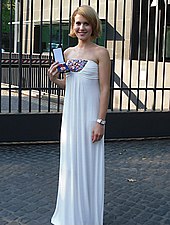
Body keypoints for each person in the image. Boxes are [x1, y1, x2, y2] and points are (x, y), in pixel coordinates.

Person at [48, 5, 111, 225]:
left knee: (88, 165)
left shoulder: (101, 53)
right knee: (70, 165)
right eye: (78, 23)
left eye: (86, 23)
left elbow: (104, 89)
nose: (81, 27)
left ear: (93, 26)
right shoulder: (67, 53)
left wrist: (100, 122)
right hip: (70, 119)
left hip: (90, 119)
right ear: (72, 26)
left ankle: (87, 217)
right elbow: (70, 84)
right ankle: (69, 215)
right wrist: (54, 79)